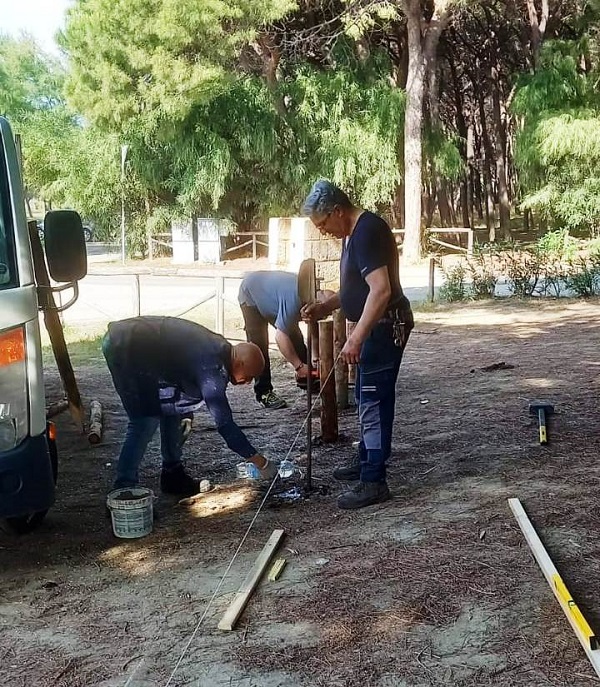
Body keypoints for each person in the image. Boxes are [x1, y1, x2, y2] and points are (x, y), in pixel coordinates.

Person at [301, 180, 414, 510]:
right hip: (374, 328)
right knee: (368, 396)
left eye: (323, 224)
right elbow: (357, 289)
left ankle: (374, 480)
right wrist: (328, 306)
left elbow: (380, 291)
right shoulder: (352, 233)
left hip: (383, 328)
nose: (323, 232)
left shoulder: (367, 231)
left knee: (373, 401)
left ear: (337, 211)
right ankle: (367, 458)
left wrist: (355, 337)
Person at [102, 316, 278, 497]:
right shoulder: (212, 367)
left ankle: (173, 476)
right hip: (124, 344)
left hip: (145, 346)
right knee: (145, 420)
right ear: (239, 363)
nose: (247, 383)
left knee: (178, 410)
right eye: (248, 376)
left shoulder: (221, 349)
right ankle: (123, 488)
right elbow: (225, 425)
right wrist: (261, 463)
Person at [238, 270, 319, 409]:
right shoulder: (293, 302)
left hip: (272, 295)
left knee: (295, 336)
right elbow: (280, 337)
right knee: (258, 346)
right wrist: (298, 366)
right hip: (250, 293)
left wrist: (316, 358)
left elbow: (314, 328)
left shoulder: (314, 297)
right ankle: (264, 392)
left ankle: (309, 379)